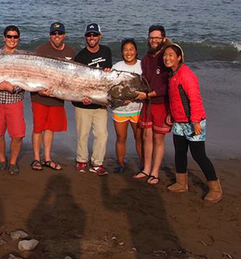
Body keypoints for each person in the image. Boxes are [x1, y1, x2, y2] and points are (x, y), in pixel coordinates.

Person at [163, 43, 222, 203]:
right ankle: (181, 183)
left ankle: (215, 189)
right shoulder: (172, 74)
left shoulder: (186, 75)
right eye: (165, 55)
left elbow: (195, 99)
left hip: (193, 122)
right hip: (179, 122)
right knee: (180, 153)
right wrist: (171, 114)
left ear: (179, 58)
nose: (167, 58)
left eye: (171, 55)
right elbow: (175, 99)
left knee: (199, 155)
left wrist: (195, 122)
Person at [30, 21, 75, 171]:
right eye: (54, 33)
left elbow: (75, 78)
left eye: (60, 33)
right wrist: (38, 90)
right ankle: (36, 158)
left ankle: (47, 158)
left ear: (64, 35)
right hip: (39, 97)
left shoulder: (71, 52)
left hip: (57, 98)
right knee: (38, 128)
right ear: (50, 35)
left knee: (50, 128)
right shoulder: (40, 50)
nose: (57, 36)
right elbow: (30, 73)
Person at [73, 23, 113, 176]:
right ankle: (81, 160)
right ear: (85, 37)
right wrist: (81, 98)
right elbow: (76, 81)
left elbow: (106, 78)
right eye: (89, 35)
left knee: (102, 134)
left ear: (99, 36)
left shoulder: (106, 51)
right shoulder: (80, 56)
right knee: (83, 134)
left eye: (94, 35)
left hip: (100, 103)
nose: (92, 38)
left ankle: (97, 163)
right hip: (83, 103)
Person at [0, 25, 26, 175]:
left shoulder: (23, 58)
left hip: (14, 99)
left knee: (17, 134)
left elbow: (28, 78)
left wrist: (13, 89)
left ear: (18, 39)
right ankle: (2, 160)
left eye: (15, 37)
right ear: (4, 38)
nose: (12, 39)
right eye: (9, 36)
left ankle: (13, 162)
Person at [133, 25, 171, 185]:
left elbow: (166, 86)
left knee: (158, 138)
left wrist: (148, 95)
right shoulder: (146, 58)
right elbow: (144, 81)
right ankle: (146, 168)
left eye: (157, 37)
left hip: (161, 103)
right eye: (151, 37)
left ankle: (155, 172)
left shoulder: (167, 57)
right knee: (146, 136)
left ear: (163, 39)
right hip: (147, 104)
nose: (154, 40)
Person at [111, 38, 143, 173]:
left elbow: (147, 87)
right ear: (122, 52)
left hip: (138, 109)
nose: (128, 52)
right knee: (121, 138)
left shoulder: (143, 66)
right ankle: (120, 163)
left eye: (131, 49)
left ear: (136, 51)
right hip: (120, 109)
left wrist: (134, 97)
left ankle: (144, 164)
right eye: (125, 50)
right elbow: (111, 88)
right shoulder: (116, 67)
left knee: (139, 138)